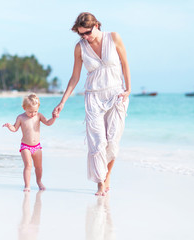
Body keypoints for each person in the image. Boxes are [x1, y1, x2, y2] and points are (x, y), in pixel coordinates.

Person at [53, 12, 131, 196]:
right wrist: (62, 102)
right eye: (81, 34)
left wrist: (128, 89)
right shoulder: (80, 48)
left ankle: (107, 175)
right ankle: (100, 183)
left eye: (87, 32)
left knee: (112, 141)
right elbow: (75, 77)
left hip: (116, 95)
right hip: (93, 97)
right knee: (97, 143)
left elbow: (125, 63)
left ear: (96, 26)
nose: (85, 37)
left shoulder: (114, 37)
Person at [3, 93, 56, 192]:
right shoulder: (21, 118)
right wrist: (10, 126)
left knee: (39, 167)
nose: (33, 114)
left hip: (37, 147)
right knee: (28, 165)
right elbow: (15, 128)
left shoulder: (39, 116)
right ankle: (27, 185)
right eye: (30, 111)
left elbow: (48, 123)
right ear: (24, 108)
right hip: (25, 146)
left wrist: (54, 118)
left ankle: (39, 181)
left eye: (35, 111)